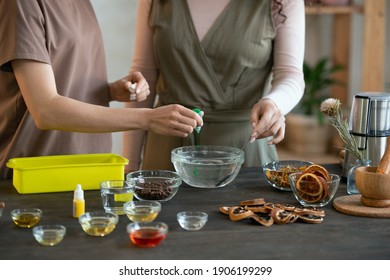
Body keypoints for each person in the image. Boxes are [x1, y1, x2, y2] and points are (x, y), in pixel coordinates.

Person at [0, 0, 203, 179]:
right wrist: (148, 118)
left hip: (93, 170)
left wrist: (108, 92)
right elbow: (45, 110)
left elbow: (64, 79)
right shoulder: (19, 3)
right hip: (36, 176)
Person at [122, 0, 306, 172]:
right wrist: (129, 166)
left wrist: (274, 103)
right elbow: (143, 78)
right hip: (167, 150)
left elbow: (290, 75)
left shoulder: (281, 2)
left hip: (243, 150)